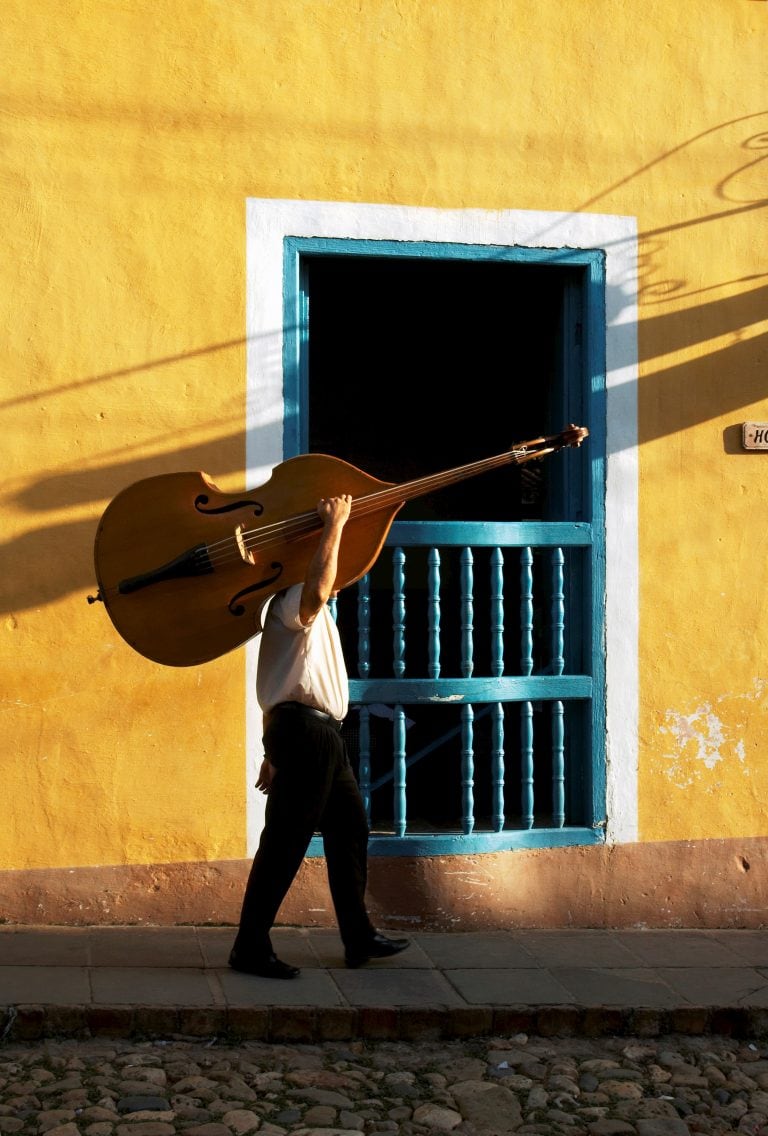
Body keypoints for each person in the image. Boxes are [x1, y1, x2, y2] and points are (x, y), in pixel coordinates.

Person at [229, 493, 410, 979]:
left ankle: (358, 936)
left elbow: (289, 682)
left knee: (350, 829)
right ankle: (249, 947)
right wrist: (335, 525)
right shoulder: (293, 598)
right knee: (286, 840)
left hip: (318, 737)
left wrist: (274, 751)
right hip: (307, 734)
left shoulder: (309, 612)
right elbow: (316, 588)